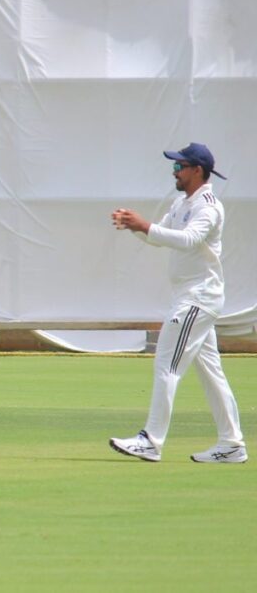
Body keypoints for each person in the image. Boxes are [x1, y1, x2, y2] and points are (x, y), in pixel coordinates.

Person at [109, 143, 246, 463]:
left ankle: (151, 441)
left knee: (166, 365)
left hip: (198, 298)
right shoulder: (182, 202)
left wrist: (144, 225)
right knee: (212, 373)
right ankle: (232, 445)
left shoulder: (209, 206)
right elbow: (161, 235)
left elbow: (189, 240)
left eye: (179, 167)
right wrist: (135, 227)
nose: (174, 172)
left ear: (197, 170)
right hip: (190, 296)